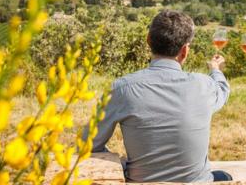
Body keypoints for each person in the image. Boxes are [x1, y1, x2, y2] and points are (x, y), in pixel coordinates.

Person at [92, 10, 232, 182]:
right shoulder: (204, 85)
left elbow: (88, 145)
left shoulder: (122, 89)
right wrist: (215, 70)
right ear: (185, 51)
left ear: (148, 40)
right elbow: (223, 90)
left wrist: (120, 163)